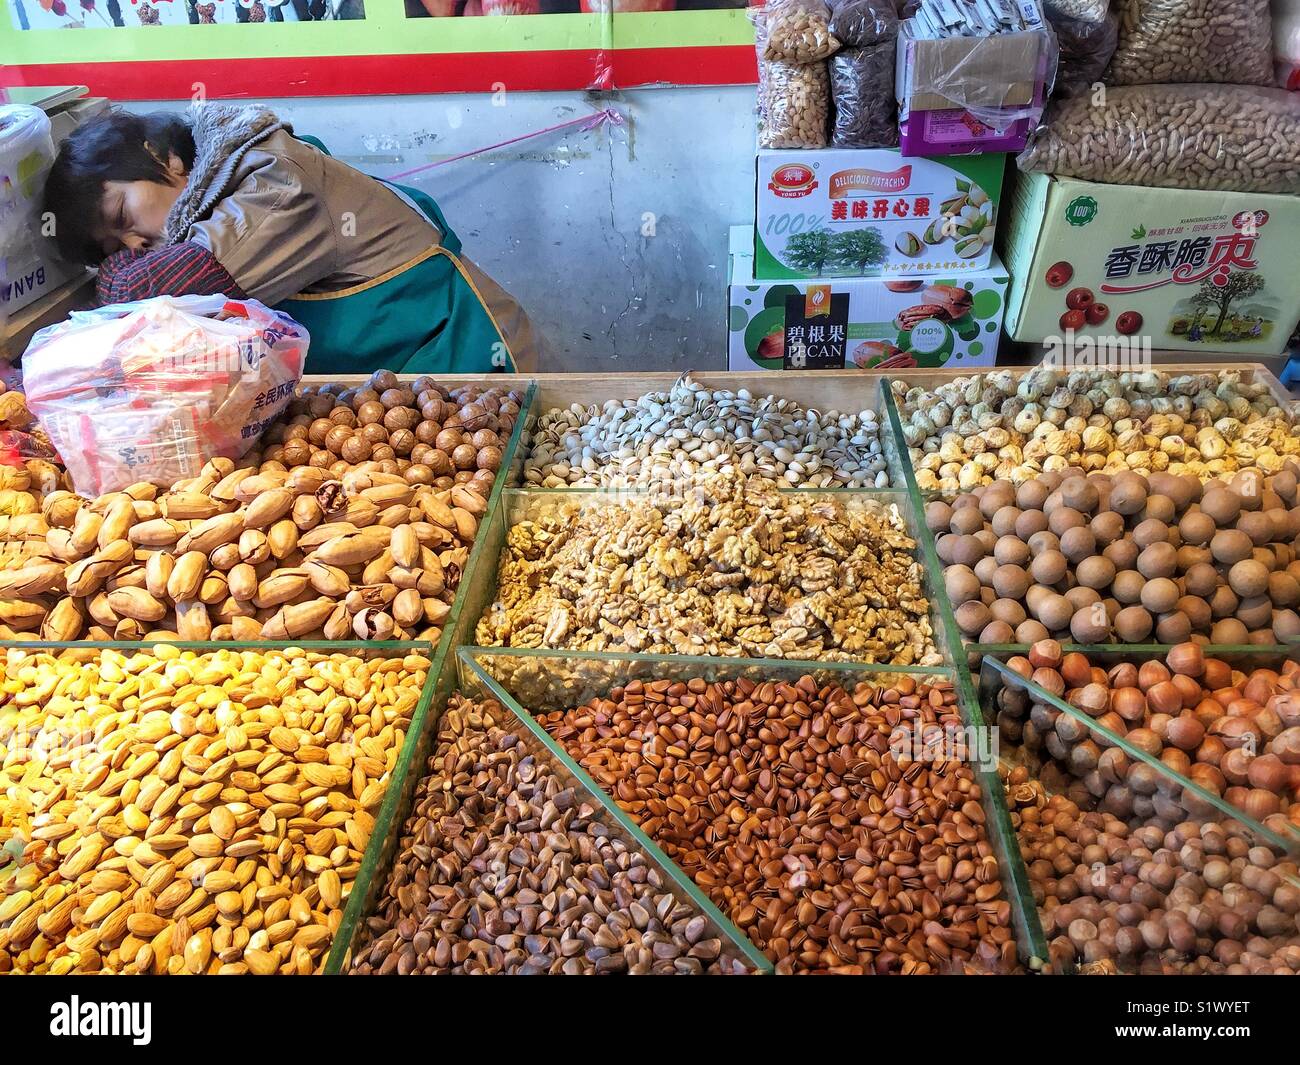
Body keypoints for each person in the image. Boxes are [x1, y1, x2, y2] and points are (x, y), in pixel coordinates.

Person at [43, 104, 538, 374]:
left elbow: (153, 291)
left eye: (122, 214)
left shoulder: (272, 181)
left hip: (465, 359)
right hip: (392, 389)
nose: (133, 246)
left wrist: (110, 276)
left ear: (161, 156)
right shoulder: (219, 189)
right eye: (112, 248)